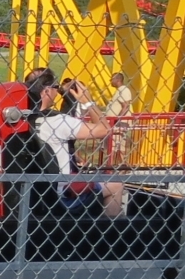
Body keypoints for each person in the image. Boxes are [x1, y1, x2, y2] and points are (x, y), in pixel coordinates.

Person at [27, 71, 125, 217]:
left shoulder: (20, 118)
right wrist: (88, 101)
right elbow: (104, 130)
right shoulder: (58, 121)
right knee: (116, 185)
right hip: (60, 194)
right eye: (56, 87)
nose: (57, 91)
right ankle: (109, 229)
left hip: (33, 191)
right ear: (47, 91)